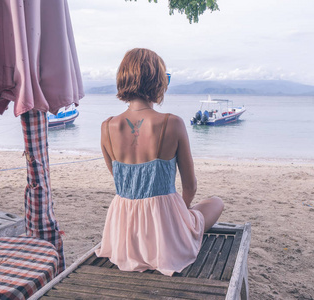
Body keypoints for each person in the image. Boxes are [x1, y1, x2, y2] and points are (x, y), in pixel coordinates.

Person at [95, 48, 224, 276]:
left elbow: (122, 183)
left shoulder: (107, 126)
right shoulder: (171, 123)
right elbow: (190, 187)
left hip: (123, 234)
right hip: (164, 235)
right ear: (156, 81)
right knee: (216, 202)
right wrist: (177, 215)